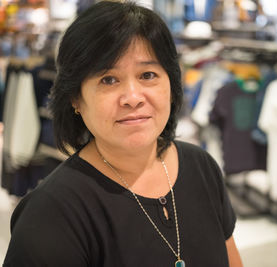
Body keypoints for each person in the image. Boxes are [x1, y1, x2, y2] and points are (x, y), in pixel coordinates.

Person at [3, 1, 243, 266]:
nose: (132, 98)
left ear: (172, 85)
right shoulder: (50, 214)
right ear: (75, 98)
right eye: (108, 79)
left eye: (148, 74)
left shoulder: (202, 167)